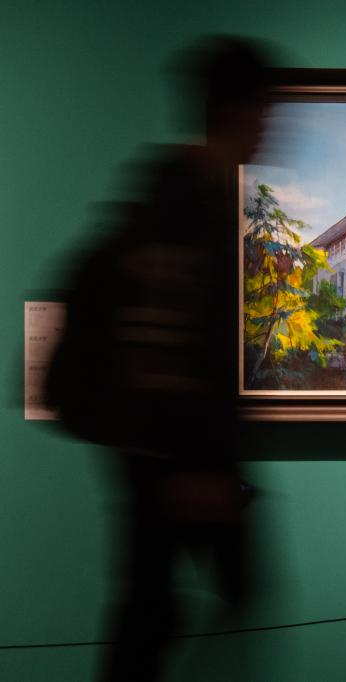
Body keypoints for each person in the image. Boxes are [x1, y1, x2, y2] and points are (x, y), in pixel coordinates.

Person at [46, 35, 276, 681]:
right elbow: (173, 344)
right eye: (267, 111)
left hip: (167, 461)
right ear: (242, 111)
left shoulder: (176, 198)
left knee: (157, 610)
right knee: (161, 615)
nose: (271, 128)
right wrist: (188, 464)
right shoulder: (186, 206)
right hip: (179, 465)